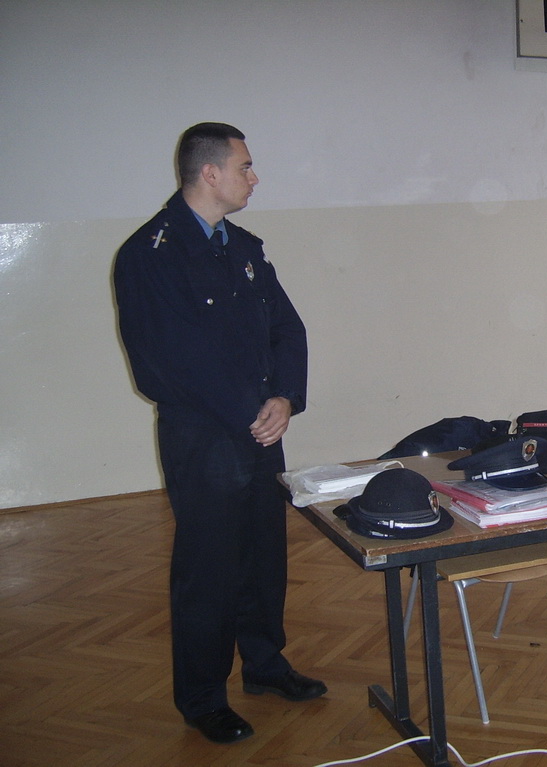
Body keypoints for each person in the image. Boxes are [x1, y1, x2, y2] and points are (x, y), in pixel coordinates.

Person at [114, 122, 325, 744]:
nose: (254, 178)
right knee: (208, 570)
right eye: (245, 166)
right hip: (204, 438)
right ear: (209, 173)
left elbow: (287, 329)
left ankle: (264, 665)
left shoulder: (244, 247)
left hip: (261, 428)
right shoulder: (150, 253)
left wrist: (285, 398)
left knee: (263, 556)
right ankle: (203, 696)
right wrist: (250, 412)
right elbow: (167, 361)